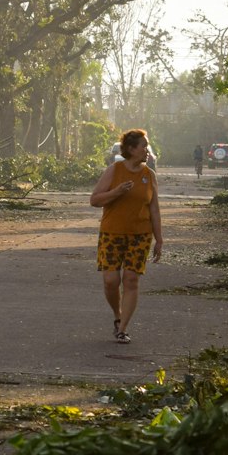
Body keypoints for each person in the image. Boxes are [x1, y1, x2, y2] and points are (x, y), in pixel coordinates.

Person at [90, 127, 163, 343]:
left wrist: (159, 239)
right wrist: (116, 192)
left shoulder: (149, 175)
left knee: (131, 280)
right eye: (143, 146)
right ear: (131, 149)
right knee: (111, 281)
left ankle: (122, 329)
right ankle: (117, 315)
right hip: (112, 233)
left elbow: (155, 209)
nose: (147, 150)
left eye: (147, 146)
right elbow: (94, 200)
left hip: (140, 236)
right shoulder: (115, 170)